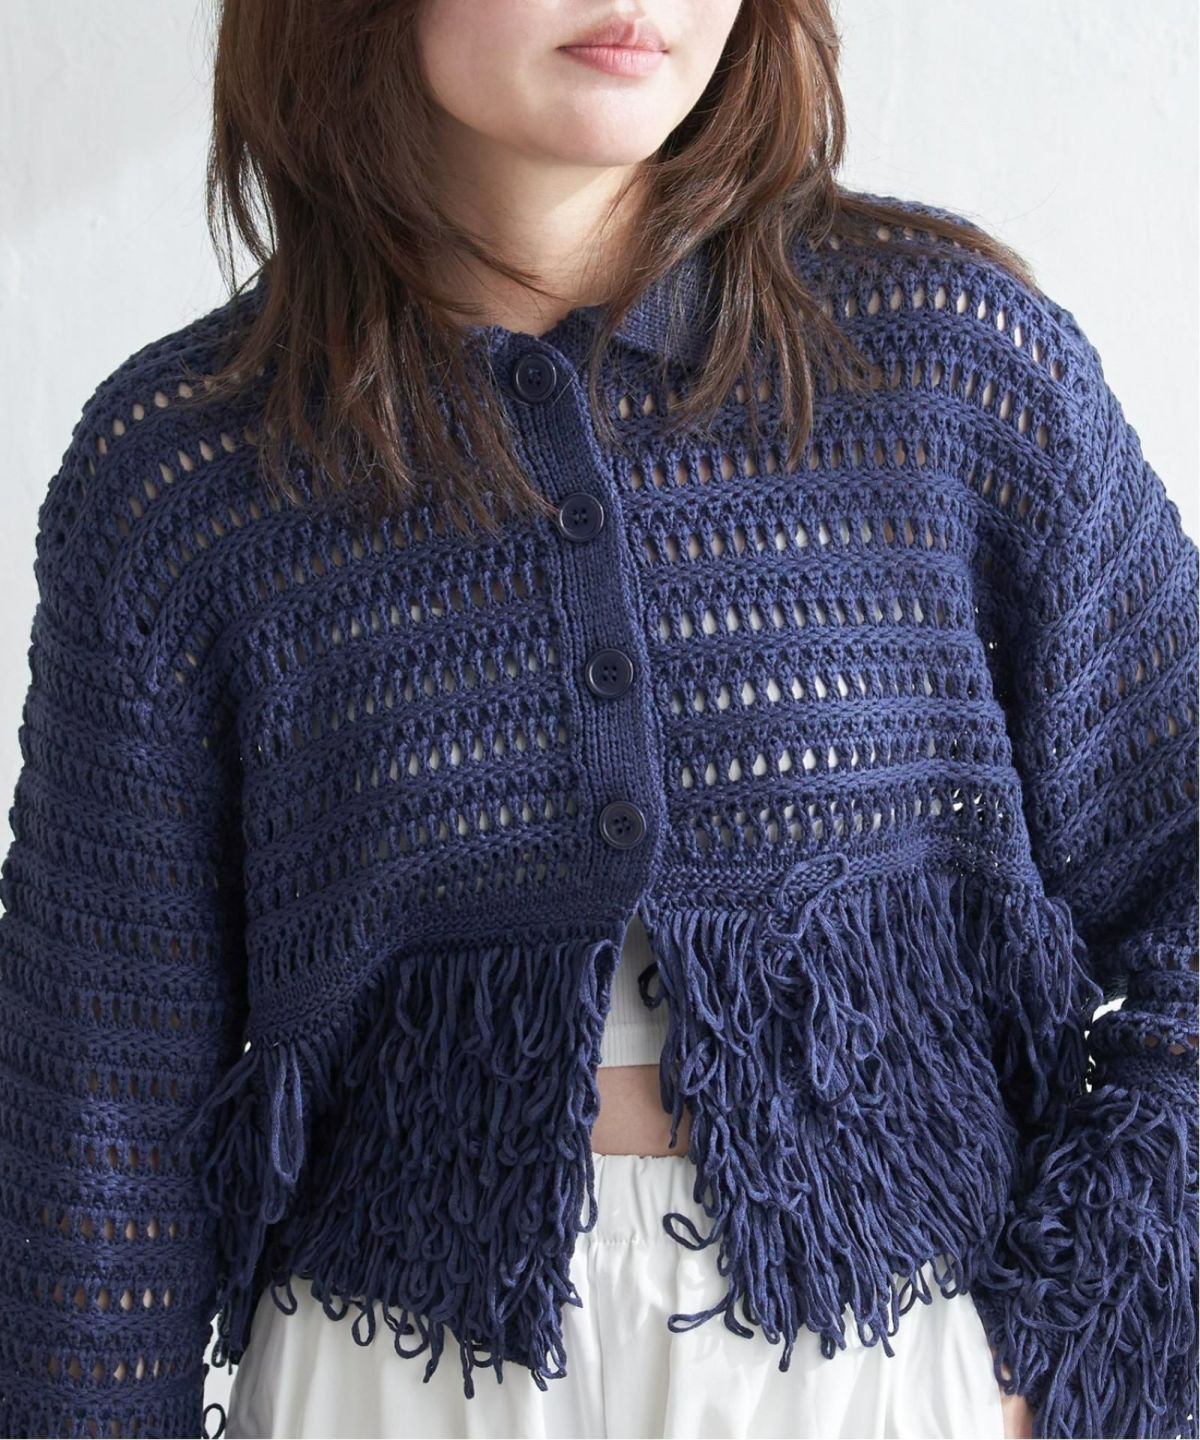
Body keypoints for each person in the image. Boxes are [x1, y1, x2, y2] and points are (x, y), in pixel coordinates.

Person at [0, 2, 1195, 1438]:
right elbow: (96, 1123)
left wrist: (1067, 1345)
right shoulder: (193, 469)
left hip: (881, 1357)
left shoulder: (942, 367)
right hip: (393, 1381)